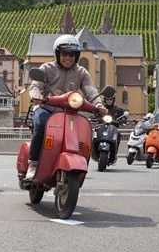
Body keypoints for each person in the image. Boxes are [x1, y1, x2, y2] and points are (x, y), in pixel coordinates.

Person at [26, 35, 108, 180]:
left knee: (82, 131)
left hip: (69, 111)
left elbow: (90, 90)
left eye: (72, 54)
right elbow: (35, 86)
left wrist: (99, 104)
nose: (68, 57)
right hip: (46, 108)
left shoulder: (81, 72)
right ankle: (33, 163)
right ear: (57, 54)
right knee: (40, 124)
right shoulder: (46, 68)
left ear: (76, 56)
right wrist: (36, 96)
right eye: (64, 53)